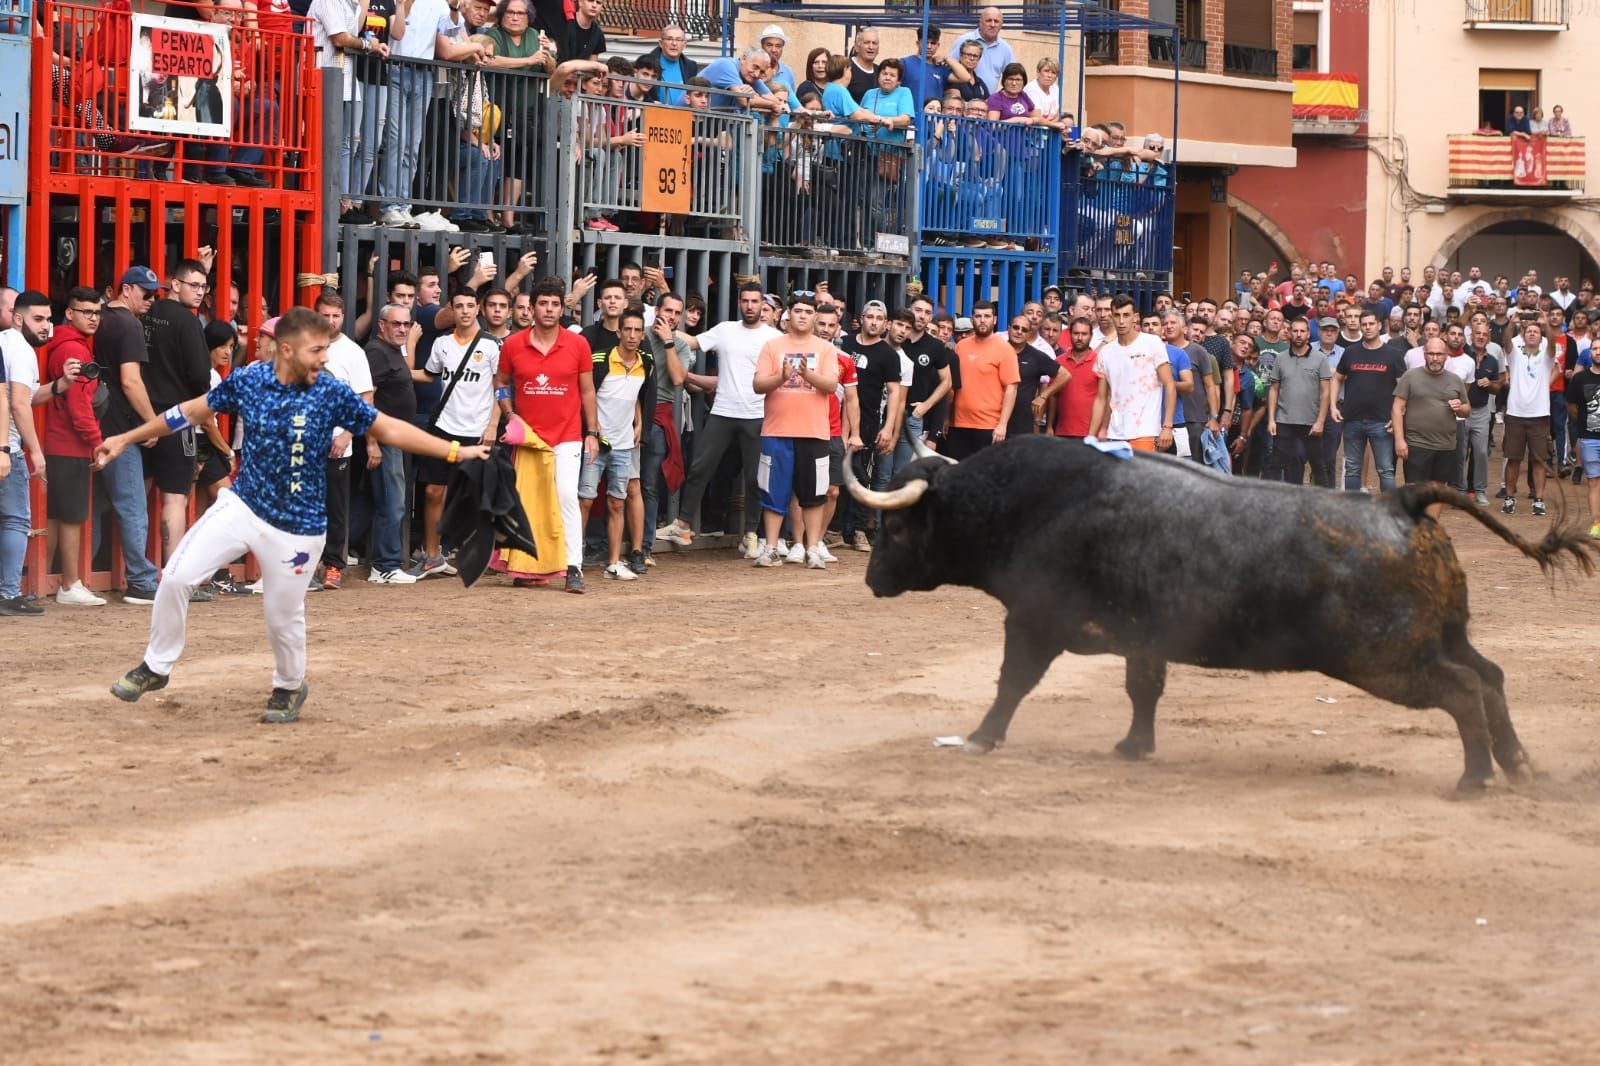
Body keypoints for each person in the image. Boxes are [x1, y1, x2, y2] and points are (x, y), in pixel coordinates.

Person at [103, 308, 490, 720]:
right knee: (177, 577)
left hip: (300, 527)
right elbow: (189, 413)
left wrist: (454, 450)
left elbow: (388, 429)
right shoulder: (250, 379)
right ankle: (157, 666)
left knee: (281, 617)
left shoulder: (330, 391)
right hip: (244, 505)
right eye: (317, 350)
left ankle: (289, 685)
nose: (325, 358)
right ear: (286, 350)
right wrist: (126, 438)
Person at [495, 277, 600, 592]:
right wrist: (510, 414)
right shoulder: (513, 344)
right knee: (528, 502)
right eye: (543, 303)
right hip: (529, 437)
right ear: (532, 307)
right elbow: (500, 383)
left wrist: (592, 431)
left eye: (555, 304)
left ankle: (573, 567)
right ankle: (530, 567)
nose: (550, 309)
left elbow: (588, 391)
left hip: (567, 434)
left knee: (567, 495)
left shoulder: (578, 343)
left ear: (561, 306)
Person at [666, 282, 781, 557]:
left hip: (757, 414)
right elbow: (695, 342)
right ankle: (683, 524)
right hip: (722, 411)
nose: (750, 306)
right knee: (700, 467)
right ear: (739, 303)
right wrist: (666, 330)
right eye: (746, 301)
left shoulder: (774, 337)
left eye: (755, 301)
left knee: (755, 479)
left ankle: (751, 534)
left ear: (761, 305)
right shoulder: (725, 330)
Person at [409, 289, 501, 578]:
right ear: (451, 309)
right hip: (444, 426)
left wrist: (492, 426)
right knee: (434, 490)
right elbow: (427, 375)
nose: (464, 311)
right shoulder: (442, 343)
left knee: (476, 496)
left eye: (470, 306)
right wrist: (403, 367)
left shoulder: (492, 345)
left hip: (477, 431)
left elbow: (501, 388)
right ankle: (432, 556)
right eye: (458, 306)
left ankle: (479, 555)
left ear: (479, 310)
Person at [751, 293, 839, 570]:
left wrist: (808, 375)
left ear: (815, 317)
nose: (802, 315)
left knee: (813, 494)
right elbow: (757, 385)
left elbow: (831, 384)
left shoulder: (825, 349)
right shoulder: (771, 346)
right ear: (788, 315)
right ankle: (770, 547)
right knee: (773, 492)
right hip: (777, 430)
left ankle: (812, 548)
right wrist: (782, 377)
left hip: (814, 432)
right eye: (797, 310)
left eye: (807, 311)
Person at [93, 267, 164, 603]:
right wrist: (151, 424)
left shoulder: (100, 316)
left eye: (155, 294)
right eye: (146, 293)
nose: (151, 300)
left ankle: (77, 574)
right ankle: (140, 580)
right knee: (132, 504)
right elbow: (131, 381)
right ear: (126, 290)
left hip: (91, 424)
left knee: (88, 505)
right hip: (120, 427)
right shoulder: (130, 325)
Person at [142, 259, 216, 577]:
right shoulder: (187, 322)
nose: (200, 293)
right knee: (174, 498)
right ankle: (173, 573)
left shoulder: (146, 313)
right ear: (174, 284)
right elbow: (201, 374)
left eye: (203, 286)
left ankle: (137, 572)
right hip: (176, 416)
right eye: (193, 285)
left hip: (141, 416)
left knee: (137, 495)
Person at [44, 287, 108, 607]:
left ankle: (43, 579)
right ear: (70, 313)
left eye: (97, 312)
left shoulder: (64, 346)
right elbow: (79, 405)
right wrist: (97, 443)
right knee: (71, 515)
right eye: (87, 312)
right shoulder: (76, 351)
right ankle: (69, 584)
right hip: (70, 445)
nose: (93, 318)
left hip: (56, 443)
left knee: (56, 514)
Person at [578, 306, 652, 581]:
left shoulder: (645, 362)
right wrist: (591, 432)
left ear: (642, 335)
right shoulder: (600, 359)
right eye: (627, 330)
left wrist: (640, 421)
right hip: (596, 442)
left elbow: (637, 396)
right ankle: (574, 557)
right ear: (618, 332)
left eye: (637, 330)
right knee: (585, 500)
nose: (632, 335)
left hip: (623, 445)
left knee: (617, 503)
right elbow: (588, 395)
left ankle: (613, 562)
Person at [313, 294, 375, 590]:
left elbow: (365, 398)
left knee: (335, 508)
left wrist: (347, 434)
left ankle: (334, 565)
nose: (331, 321)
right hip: (304, 442)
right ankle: (304, 564)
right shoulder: (304, 346)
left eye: (336, 316)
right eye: (325, 315)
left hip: (339, 444)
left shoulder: (353, 352)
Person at [357, 302, 420, 585]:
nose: (403, 329)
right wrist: (372, 442)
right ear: (381, 325)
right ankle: (385, 565)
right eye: (396, 324)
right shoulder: (377, 352)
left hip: (390, 438)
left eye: (406, 324)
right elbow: (366, 399)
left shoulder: (389, 351)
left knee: (378, 501)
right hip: (383, 438)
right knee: (392, 502)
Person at [0, 292, 51, 616]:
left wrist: (60, 384)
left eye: (48, 319)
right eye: (38, 319)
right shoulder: (19, 349)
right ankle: (7, 593)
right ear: (18, 318)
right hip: (8, 448)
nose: (47, 326)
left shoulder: (5, 342)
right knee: (17, 521)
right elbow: (18, 403)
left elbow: (25, 398)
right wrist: (35, 451)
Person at [1394, 339, 1471, 519]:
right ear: (1424, 354)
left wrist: (1460, 407)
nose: (1435, 358)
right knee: (1414, 491)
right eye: (1431, 354)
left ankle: (1430, 529)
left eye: (1439, 354)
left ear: (1446, 356)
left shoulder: (1455, 380)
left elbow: (1467, 410)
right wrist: (1399, 439)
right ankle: (1413, 531)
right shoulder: (1410, 377)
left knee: (1438, 491)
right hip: (1417, 444)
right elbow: (1397, 408)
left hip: (1446, 445)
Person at [1090, 294, 1175, 452]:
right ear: (1111, 316)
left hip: (1145, 431)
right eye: (1117, 315)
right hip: (1114, 434)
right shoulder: (1105, 352)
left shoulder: (1152, 342)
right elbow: (1102, 398)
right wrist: (1092, 434)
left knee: (1141, 477)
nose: (1121, 321)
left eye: (1126, 315)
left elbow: (1169, 385)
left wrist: (1167, 426)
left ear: (1135, 317)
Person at [1501, 319, 1561, 517]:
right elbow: (1506, 342)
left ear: (1541, 335)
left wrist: (1546, 326)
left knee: (1539, 461)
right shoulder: (1515, 355)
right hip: (1515, 414)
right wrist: (1513, 321)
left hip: (1539, 415)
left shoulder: (1546, 356)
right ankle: (1509, 497)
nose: (1533, 334)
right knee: (1513, 458)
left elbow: (1552, 344)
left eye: (1536, 331)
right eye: (1529, 331)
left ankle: (1539, 500)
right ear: (1524, 335)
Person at [946, 301, 1020, 459]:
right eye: (978, 316)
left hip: (989, 426)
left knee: (985, 479)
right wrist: (946, 416)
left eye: (987, 316)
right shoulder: (961, 346)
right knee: (957, 476)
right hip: (958, 423)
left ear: (995, 319)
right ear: (972, 319)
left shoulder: (1005, 349)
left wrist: (1002, 425)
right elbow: (951, 386)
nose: (982, 320)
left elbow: (1011, 389)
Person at [1463, 320, 1505, 505]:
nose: (1480, 337)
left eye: (1484, 334)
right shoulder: (1463, 355)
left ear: (1489, 338)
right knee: (1459, 453)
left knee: (1480, 453)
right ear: (1471, 335)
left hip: (1481, 412)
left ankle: (1480, 490)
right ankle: (1458, 489)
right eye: (1477, 333)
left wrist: (1491, 384)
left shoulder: (1492, 361)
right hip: (1460, 412)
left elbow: (1498, 388)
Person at [1565, 341, 1600, 538]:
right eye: (1595, 348)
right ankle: (1597, 523)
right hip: (1589, 438)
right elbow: (1572, 407)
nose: (1598, 352)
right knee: (1594, 481)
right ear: (1589, 353)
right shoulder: (1579, 379)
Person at [1052, 316, 1099, 440]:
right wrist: (1049, 427)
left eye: (1084, 334)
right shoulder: (1059, 362)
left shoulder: (1100, 362)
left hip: (1092, 434)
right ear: (1069, 334)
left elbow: (1106, 399)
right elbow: (1053, 396)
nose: (1079, 338)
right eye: (1076, 333)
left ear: (1091, 336)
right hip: (1062, 432)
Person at [952, 6, 1013, 93]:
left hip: (989, 102)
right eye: (988, 20)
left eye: (996, 21)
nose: (992, 25)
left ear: (1001, 25)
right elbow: (950, 68)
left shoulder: (1006, 49)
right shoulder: (963, 40)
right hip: (962, 100)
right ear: (980, 22)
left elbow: (1011, 77)